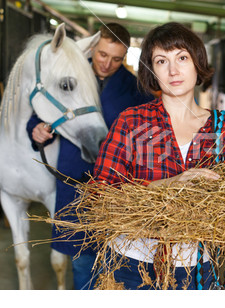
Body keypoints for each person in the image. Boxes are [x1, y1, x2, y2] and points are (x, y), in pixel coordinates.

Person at [93, 22, 225, 290]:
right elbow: (99, 193)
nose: (173, 70)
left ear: (197, 63)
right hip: (134, 262)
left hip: (198, 264)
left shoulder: (222, 127)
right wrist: (166, 185)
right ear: (151, 71)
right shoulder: (131, 121)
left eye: (182, 58)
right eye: (161, 61)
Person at [26, 23, 154, 289]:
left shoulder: (135, 90)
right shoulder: (68, 74)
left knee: (118, 261)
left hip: (116, 190)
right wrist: (35, 129)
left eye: (117, 58)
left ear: (126, 56)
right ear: (93, 47)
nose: (107, 63)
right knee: (82, 261)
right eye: (102, 55)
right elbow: (40, 111)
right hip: (75, 182)